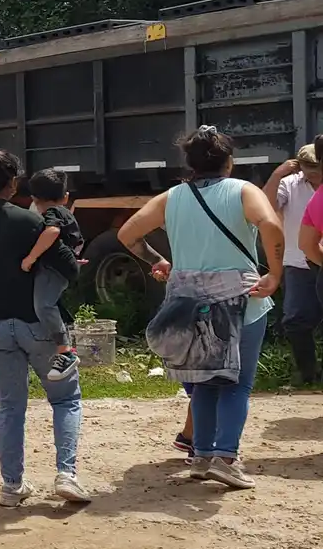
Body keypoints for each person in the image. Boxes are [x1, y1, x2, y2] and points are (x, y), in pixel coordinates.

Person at [120, 126, 282, 489]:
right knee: (237, 384)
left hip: (188, 301)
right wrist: (274, 273)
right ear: (229, 160)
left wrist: (160, 260)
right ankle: (226, 458)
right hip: (239, 299)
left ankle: (202, 456)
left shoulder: (172, 196)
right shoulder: (244, 191)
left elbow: (128, 234)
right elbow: (269, 223)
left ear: (189, 163)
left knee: (205, 381)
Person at [0, 148, 93, 507]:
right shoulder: (31, 222)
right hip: (37, 326)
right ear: (12, 183)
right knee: (65, 399)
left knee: (10, 407)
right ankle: (66, 474)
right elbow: (69, 269)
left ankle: (12, 486)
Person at [18, 169, 84, 380]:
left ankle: (65, 352)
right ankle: (65, 334)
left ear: (34, 200)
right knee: (50, 303)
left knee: (43, 305)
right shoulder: (65, 212)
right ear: (66, 196)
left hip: (54, 268)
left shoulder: (52, 213)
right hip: (62, 265)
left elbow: (53, 232)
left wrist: (31, 257)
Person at [278, 143, 323, 383]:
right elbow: (265, 205)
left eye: (318, 167)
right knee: (295, 320)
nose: (315, 173)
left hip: (313, 257)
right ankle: (308, 373)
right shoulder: (290, 185)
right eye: (310, 168)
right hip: (300, 263)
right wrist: (277, 174)